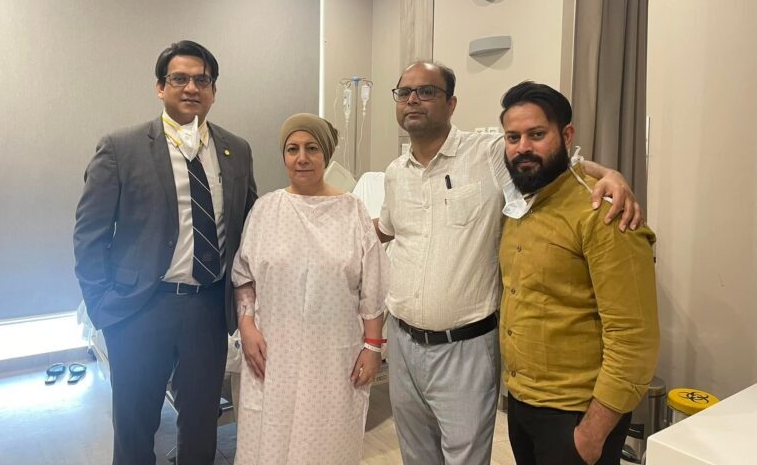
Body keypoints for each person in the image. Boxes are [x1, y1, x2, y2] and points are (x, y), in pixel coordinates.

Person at [375, 61, 643, 465]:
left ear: (451, 103)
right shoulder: (395, 173)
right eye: (404, 92)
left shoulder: (487, 153)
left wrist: (612, 174)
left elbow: (553, 162)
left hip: (464, 347)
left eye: (426, 91)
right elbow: (385, 230)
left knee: (464, 458)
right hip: (402, 342)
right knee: (416, 456)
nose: (413, 99)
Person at [73, 40, 257, 465]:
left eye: (202, 80)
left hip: (207, 310)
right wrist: (103, 306)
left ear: (213, 91)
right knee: (135, 427)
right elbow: (89, 234)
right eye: (180, 79)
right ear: (160, 87)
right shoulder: (122, 148)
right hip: (139, 310)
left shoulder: (236, 150)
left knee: (201, 425)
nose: (192, 87)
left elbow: (249, 226)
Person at [498, 81, 659, 465]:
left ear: (567, 135)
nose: (523, 147)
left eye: (537, 134)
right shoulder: (519, 204)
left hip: (577, 413)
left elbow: (634, 339)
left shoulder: (604, 213)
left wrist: (592, 433)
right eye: (513, 137)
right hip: (522, 403)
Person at [231, 113, 388, 465]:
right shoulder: (265, 210)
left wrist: (373, 347)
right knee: (269, 440)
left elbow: (373, 288)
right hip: (272, 352)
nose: (302, 157)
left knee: (326, 440)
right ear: (284, 156)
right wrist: (247, 325)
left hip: (334, 356)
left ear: (326, 155)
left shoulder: (353, 212)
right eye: (293, 149)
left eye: (312, 148)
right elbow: (243, 277)